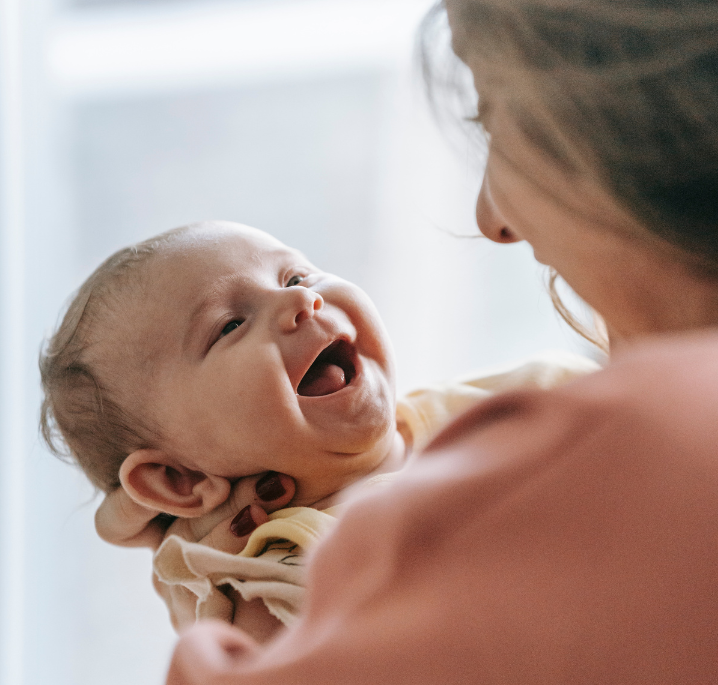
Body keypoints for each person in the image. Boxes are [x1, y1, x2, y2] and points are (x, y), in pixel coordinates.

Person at [160, 0, 718, 682]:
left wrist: (206, 608)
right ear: (174, 476)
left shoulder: (612, 461)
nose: (494, 220)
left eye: (492, 113)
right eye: (230, 326)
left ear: (630, 119)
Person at [39, 220, 595, 638]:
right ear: (177, 478)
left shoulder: (508, 399)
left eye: (296, 275)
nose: (302, 299)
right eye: (230, 324)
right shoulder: (281, 585)